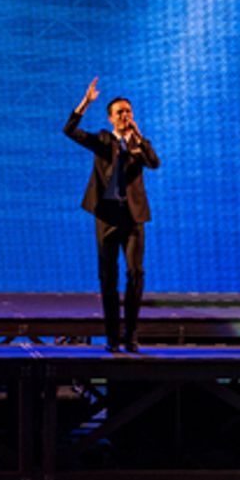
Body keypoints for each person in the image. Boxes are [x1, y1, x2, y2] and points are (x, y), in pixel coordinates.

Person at [64, 78, 161, 352]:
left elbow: (154, 163)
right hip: (106, 217)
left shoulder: (140, 145)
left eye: (128, 111)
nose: (124, 115)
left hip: (133, 219)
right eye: (119, 112)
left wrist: (138, 136)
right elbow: (69, 130)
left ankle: (131, 335)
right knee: (108, 278)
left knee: (135, 273)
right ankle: (112, 339)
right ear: (110, 118)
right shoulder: (103, 141)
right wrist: (85, 103)